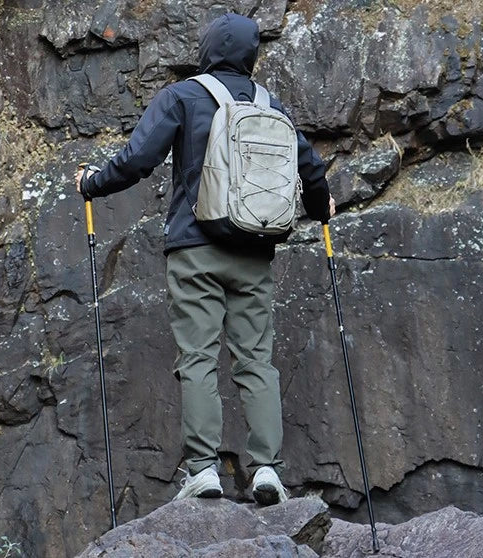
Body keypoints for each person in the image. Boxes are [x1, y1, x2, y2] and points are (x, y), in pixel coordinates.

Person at [75, 13, 335, 505]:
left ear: (208, 48)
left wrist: (92, 183)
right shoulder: (270, 104)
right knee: (256, 361)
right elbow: (311, 168)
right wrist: (321, 209)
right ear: (252, 56)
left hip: (194, 250)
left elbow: (137, 160)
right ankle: (267, 472)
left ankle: (203, 470)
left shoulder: (184, 96)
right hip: (254, 254)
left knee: (198, 358)